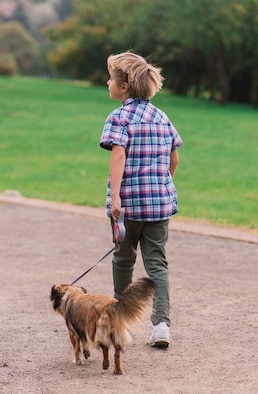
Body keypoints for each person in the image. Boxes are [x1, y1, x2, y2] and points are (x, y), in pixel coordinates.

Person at [99, 51, 182, 349]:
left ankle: (120, 321)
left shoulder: (119, 117)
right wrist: (164, 184)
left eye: (111, 79)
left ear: (123, 87)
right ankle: (161, 325)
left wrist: (117, 197)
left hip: (129, 205)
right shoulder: (162, 117)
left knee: (123, 261)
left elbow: (118, 154)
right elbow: (174, 158)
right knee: (157, 263)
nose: (107, 82)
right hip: (160, 205)